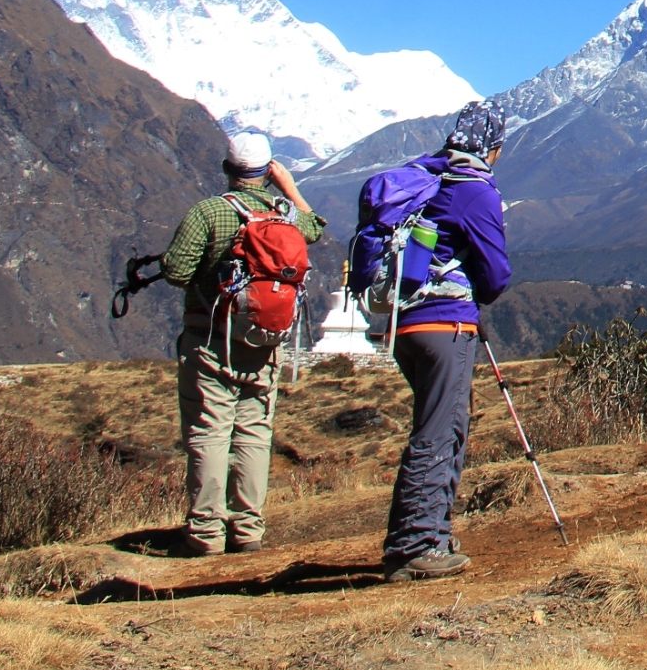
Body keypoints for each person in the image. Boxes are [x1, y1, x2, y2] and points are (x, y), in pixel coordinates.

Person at [353, 101, 512, 582]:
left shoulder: (422, 178)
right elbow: (495, 276)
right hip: (446, 325)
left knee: (439, 424)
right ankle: (415, 545)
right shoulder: (474, 190)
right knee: (440, 432)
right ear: (493, 146)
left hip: (403, 322)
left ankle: (433, 533)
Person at [160, 130, 326, 556]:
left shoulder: (208, 212)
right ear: (268, 171)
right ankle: (247, 529)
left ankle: (206, 533)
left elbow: (177, 271)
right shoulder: (285, 214)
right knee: (254, 431)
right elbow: (315, 229)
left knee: (210, 431)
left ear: (227, 168)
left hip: (211, 338)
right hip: (264, 342)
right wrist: (289, 188)